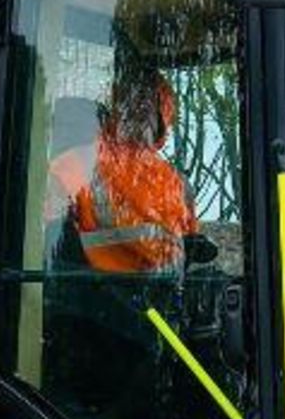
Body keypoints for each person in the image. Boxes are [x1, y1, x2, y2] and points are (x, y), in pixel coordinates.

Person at [47, 71, 199, 272]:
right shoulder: (78, 164)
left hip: (154, 296)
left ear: (163, 115)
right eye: (132, 102)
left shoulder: (177, 184)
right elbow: (40, 240)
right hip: (92, 294)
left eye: (147, 105)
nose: (138, 111)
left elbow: (189, 253)